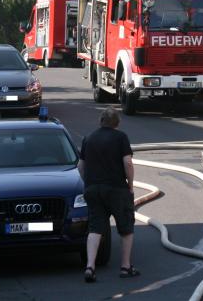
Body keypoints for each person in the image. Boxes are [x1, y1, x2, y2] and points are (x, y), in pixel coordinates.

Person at [77, 107, 139, 283]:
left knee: (95, 228)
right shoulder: (121, 137)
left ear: (100, 121)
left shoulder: (88, 139)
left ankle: (90, 266)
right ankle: (126, 267)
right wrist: (131, 185)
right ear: (117, 123)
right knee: (126, 227)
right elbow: (128, 162)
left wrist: (88, 183)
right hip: (116, 189)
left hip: (93, 190)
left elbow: (81, 167)